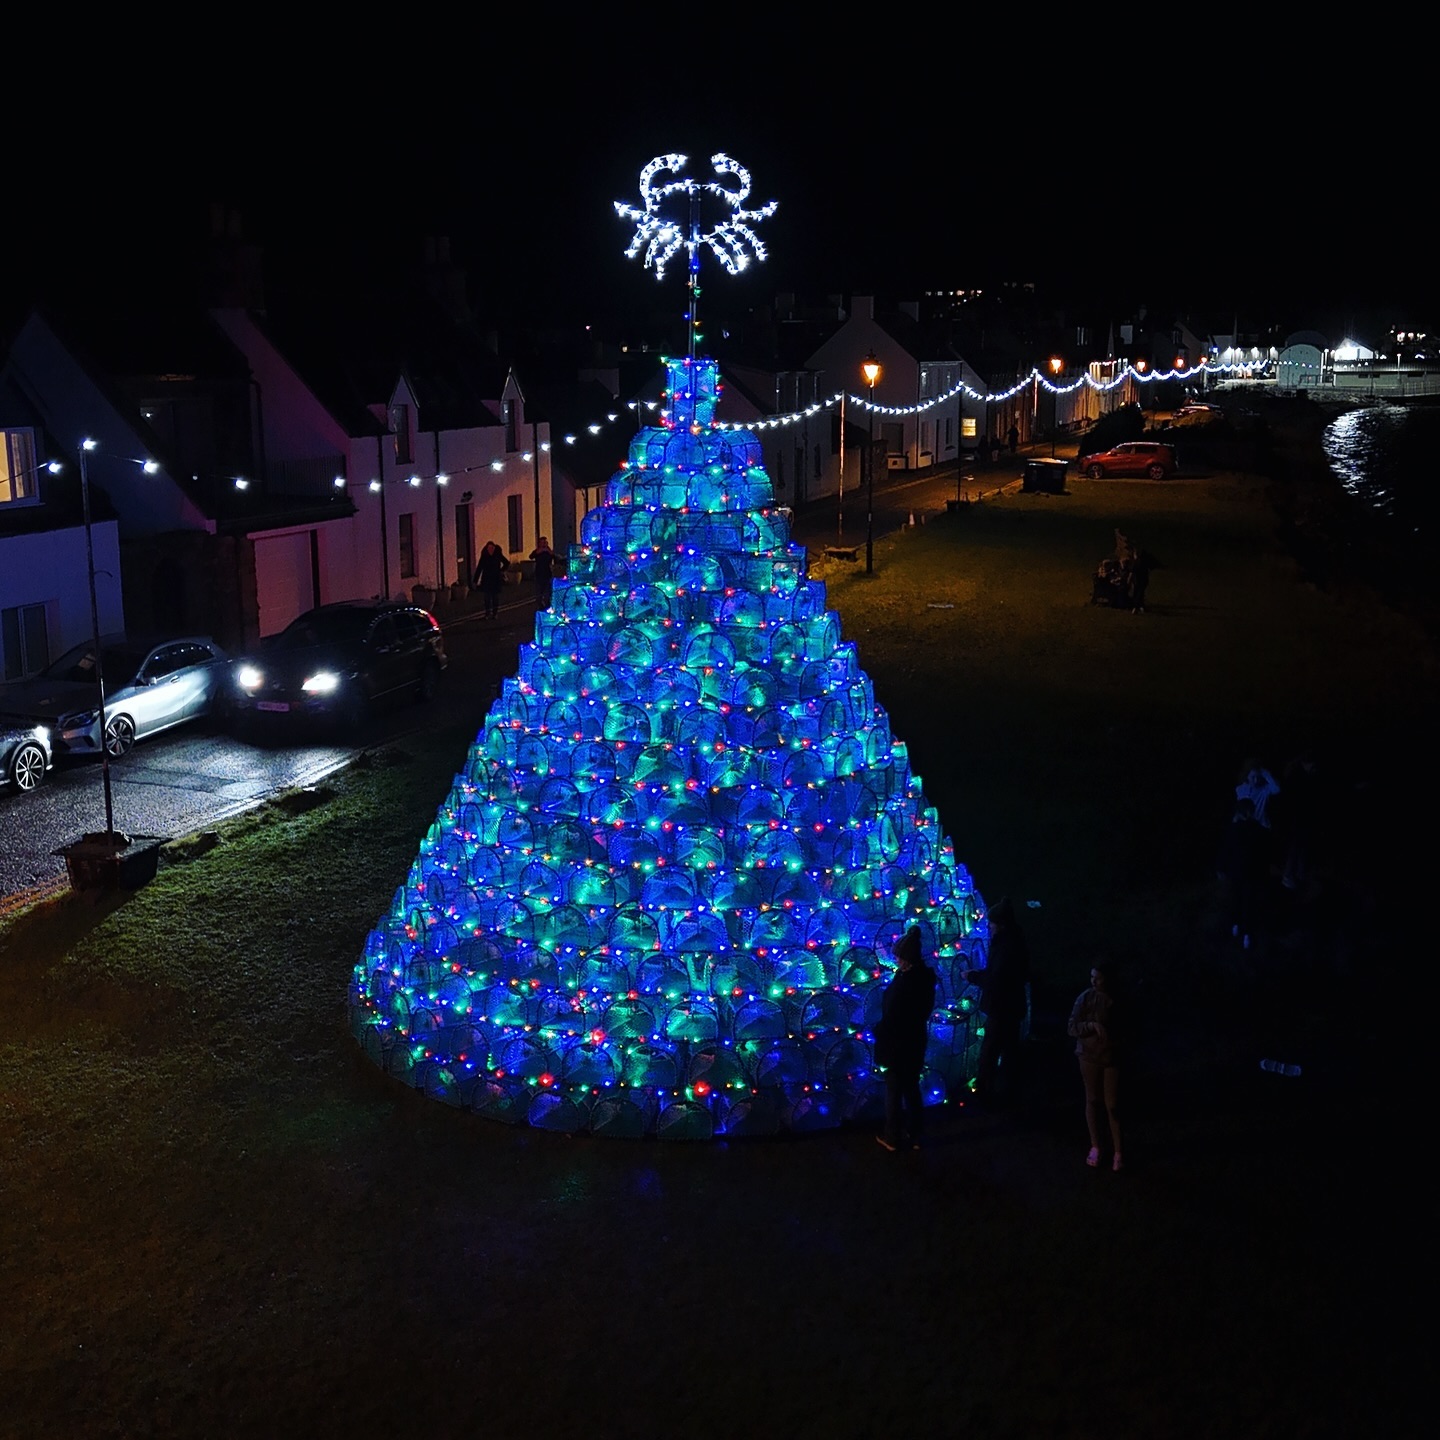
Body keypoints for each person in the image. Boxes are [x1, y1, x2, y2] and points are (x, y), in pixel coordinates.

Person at [874, 927, 937, 1152]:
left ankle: (892, 1136)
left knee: (894, 1089)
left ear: (907, 959)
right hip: (915, 1041)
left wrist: (879, 1031)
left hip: (898, 1045)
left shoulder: (906, 984)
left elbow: (893, 1016)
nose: (896, 960)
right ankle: (915, 1133)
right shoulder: (923, 979)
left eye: (899, 957)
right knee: (911, 1087)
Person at [965, 896, 1031, 1105]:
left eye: (992, 923)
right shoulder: (1013, 941)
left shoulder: (1006, 946)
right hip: (1011, 1006)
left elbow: (998, 978)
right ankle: (1010, 1091)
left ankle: (986, 1094)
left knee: (991, 1051)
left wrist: (972, 977)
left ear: (1001, 925)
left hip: (1002, 1007)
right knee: (1009, 1050)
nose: (989, 927)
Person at [1068, 963, 1123, 1172]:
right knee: (1092, 1099)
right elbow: (1072, 1026)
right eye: (1092, 977)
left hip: (1111, 1056)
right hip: (1089, 1055)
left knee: (1113, 1104)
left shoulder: (1117, 1000)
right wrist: (1090, 1026)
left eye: (1098, 978)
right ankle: (1096, 1146)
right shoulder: (1085, 998)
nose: (1093, 981)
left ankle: (1119, 1150)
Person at [473, 540, 508, 619]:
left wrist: (501, 570)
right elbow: (479, 568)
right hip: (487, 579)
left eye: (492, 548)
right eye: (489, 548)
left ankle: (495, 613)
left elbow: (506, 562)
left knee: (495, 597)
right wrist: (475, 580)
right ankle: (487, 613)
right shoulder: (484, 556)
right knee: (487, 598)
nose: (490, 549)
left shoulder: (498, 555)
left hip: (495, 579)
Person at [529, 536, 557, 610]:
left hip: (547, 574)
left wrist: (550, 552)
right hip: (539, 574)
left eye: (545, 542)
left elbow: (555, 557)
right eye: (542, 542)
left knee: (547, 594)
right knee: (538, 594)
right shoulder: (537, 551)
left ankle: (547, 607)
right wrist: (539, 551)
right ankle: (541, 606)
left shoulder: (548, 551)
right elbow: (531, 556)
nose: (544, 544)